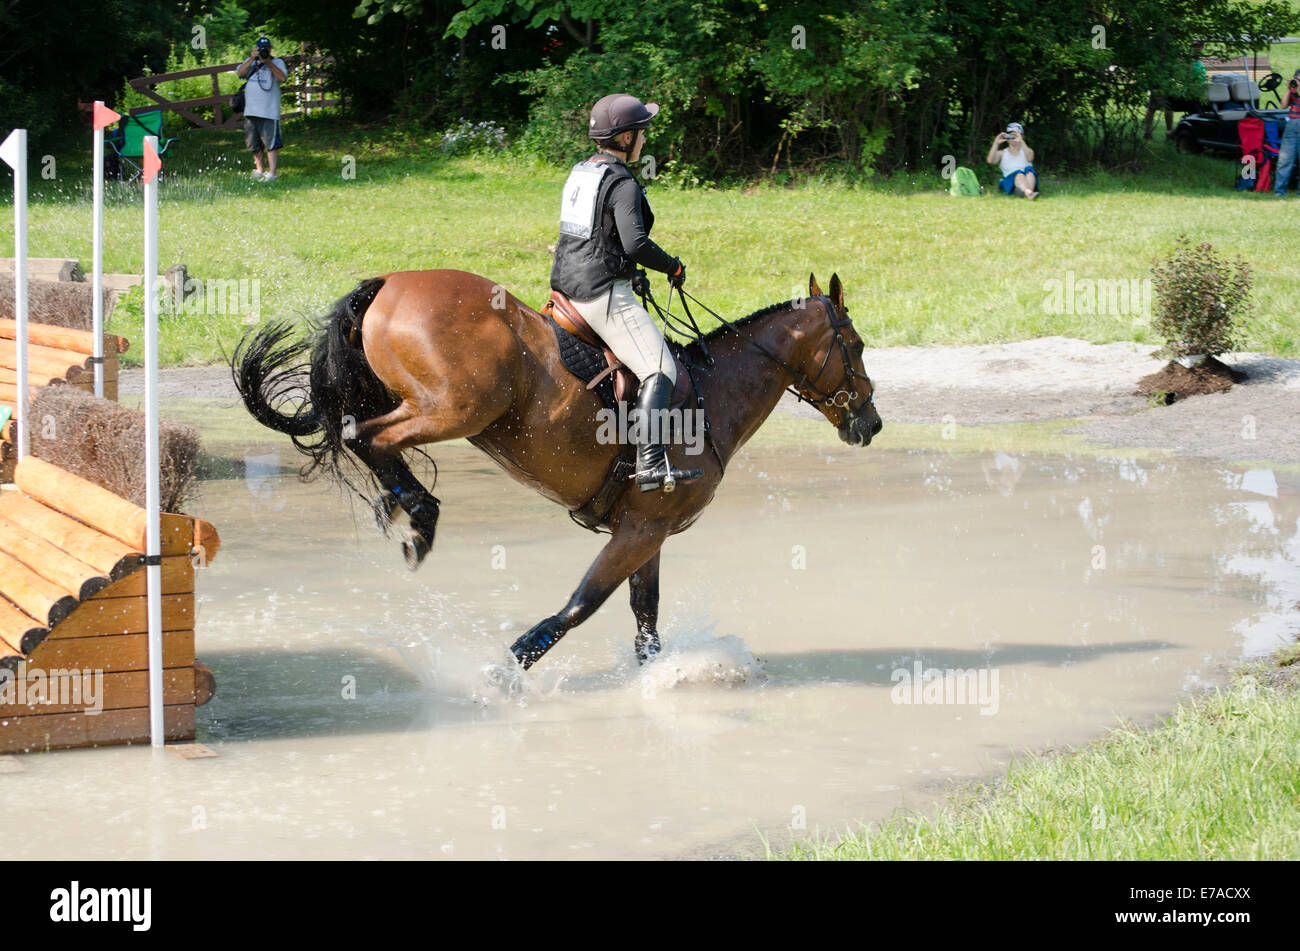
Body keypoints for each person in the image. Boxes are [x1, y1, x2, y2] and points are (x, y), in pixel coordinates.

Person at [550, 93, 700, 493]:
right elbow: (635, 245)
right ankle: (650, 462)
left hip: (565, 286)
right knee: (660, 368)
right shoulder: (623, 184)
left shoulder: (581, 172)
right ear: (627, 137)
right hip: (600, 295)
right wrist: (673, 265)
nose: (646, 141)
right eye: (643, 134)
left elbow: (595, 235)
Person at [237, 37, 287, 182]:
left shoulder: (277, 62)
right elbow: (240, 73)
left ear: (271, 49)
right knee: (254, 143)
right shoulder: (250, 61)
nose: (264, 51)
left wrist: (268, 63)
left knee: (271, 143)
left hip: (269, 110)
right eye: (261, 49)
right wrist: (252, 59)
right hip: (251, 110)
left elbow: (282, 78)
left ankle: (272, 173)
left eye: (267, 48)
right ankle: (260, 170)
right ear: (256, 49)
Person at [986, 122, 1038, 199]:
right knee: (1019, 174)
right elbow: (990, 160)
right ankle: (1029, 193)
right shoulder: (1002, 153)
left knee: (1030, 171)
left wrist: (1021, 142)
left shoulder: (1027, 150)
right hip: (1010, 181)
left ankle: (1026, 192)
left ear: (1021, 136)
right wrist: (996, 143)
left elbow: (1030, 158)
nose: (1012, 138)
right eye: (1010, 135)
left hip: (1027, 179)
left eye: (1015, 135)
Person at [1274, 70, 1300, 197]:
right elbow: (1283, 105)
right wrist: (1289, 89)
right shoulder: (1293, 90)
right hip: (1291, 125)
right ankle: (1279, 192)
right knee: (1284, 159)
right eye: (1297, 79)